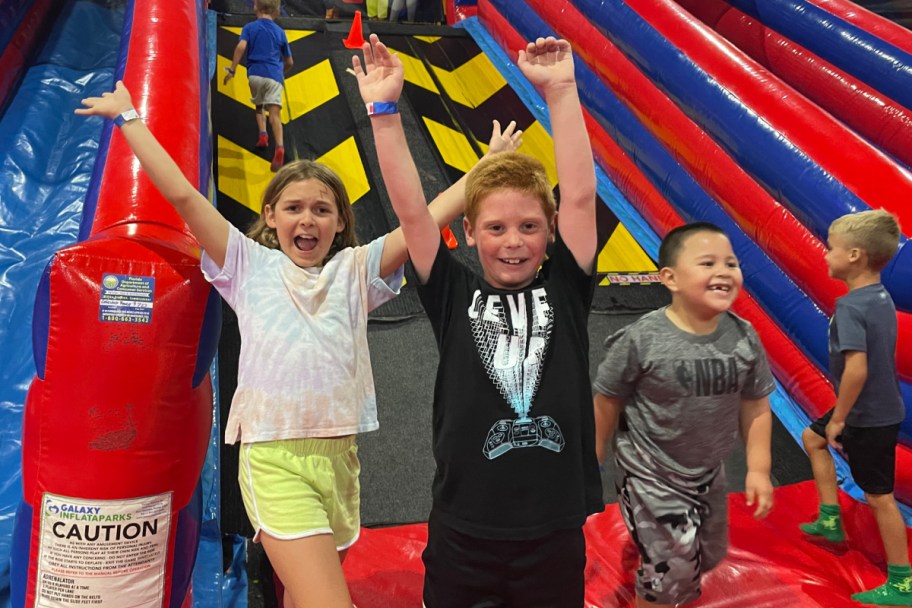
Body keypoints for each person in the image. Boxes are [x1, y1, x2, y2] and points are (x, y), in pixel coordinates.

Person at [76, 81, 520, 608]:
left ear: (338, 224)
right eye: (293, 208)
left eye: (322, 210)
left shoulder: (355, 271)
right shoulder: (248, 265)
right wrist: (129, 117)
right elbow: (183, 196)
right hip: (275, 457)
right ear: (271, 217)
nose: (307, 219)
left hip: (340, 459)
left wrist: (484, 169)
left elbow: (423, 219)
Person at [353, 34, 603, 606]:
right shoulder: (450, 291)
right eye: (495, 228)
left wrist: (562, 91)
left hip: (553, 530)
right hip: (465, 527)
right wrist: (386, 114)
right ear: (469, 233)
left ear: (551, 231)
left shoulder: (566, 287)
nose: (513, 241)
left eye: (529, 227)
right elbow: (412, 211)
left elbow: (583, 199)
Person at [593, 222, 775, 608]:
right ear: (670, 278)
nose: (723, 271)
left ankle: (664, 560)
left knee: (708, 555)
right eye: (708, 262)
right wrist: (592, 453)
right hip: (650, 471)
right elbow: (608, 396)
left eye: (731, 263)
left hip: (707, 472)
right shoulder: (643, 338)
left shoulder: (744, 337)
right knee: (669, 572)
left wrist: (759, 468)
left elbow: (756, 404)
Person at [799, 210, 910, 606]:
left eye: (832, 250)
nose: (826, 256)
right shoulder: (880, 298)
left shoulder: (851, 308)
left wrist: (841, 418)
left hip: (868, 414)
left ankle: (902, 583)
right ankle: (830, 519)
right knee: (811, 438)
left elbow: (857, 369)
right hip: (876, 406)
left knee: (879, 496)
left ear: (855, 256)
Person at [223, 0, 293, 172]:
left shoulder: (249, 28)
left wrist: (232, 70)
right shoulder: (280, 32)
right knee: (274, 114)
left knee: (259, 105)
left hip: (254, 74)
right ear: (277, 10)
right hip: (274, 76)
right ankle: (280, 146)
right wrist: (281, 72)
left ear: (255, 8)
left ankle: (262, 135)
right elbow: (289, 61)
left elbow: (241, 47)